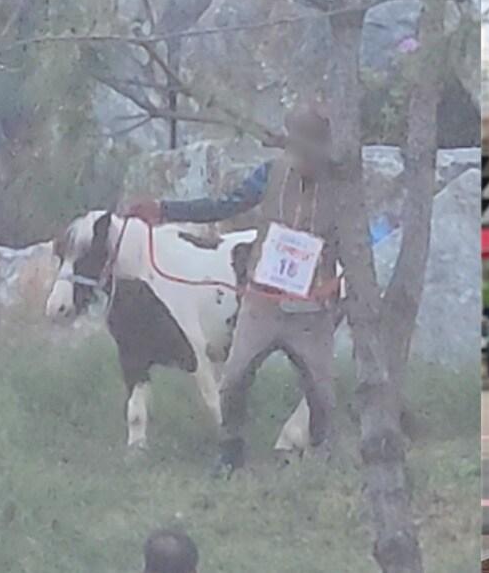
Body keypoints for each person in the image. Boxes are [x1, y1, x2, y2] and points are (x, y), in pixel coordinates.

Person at [124, 103, 341, 474]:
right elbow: (222, 206)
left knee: (321, 393)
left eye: (309, 150)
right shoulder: (269, 175)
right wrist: (165, 210)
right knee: (234, 380)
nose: (301, 157)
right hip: (262, 304)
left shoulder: (344, 188)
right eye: (296, 148)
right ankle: (231, 451)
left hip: (312, 311)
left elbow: (358, 244)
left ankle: (319, 455)